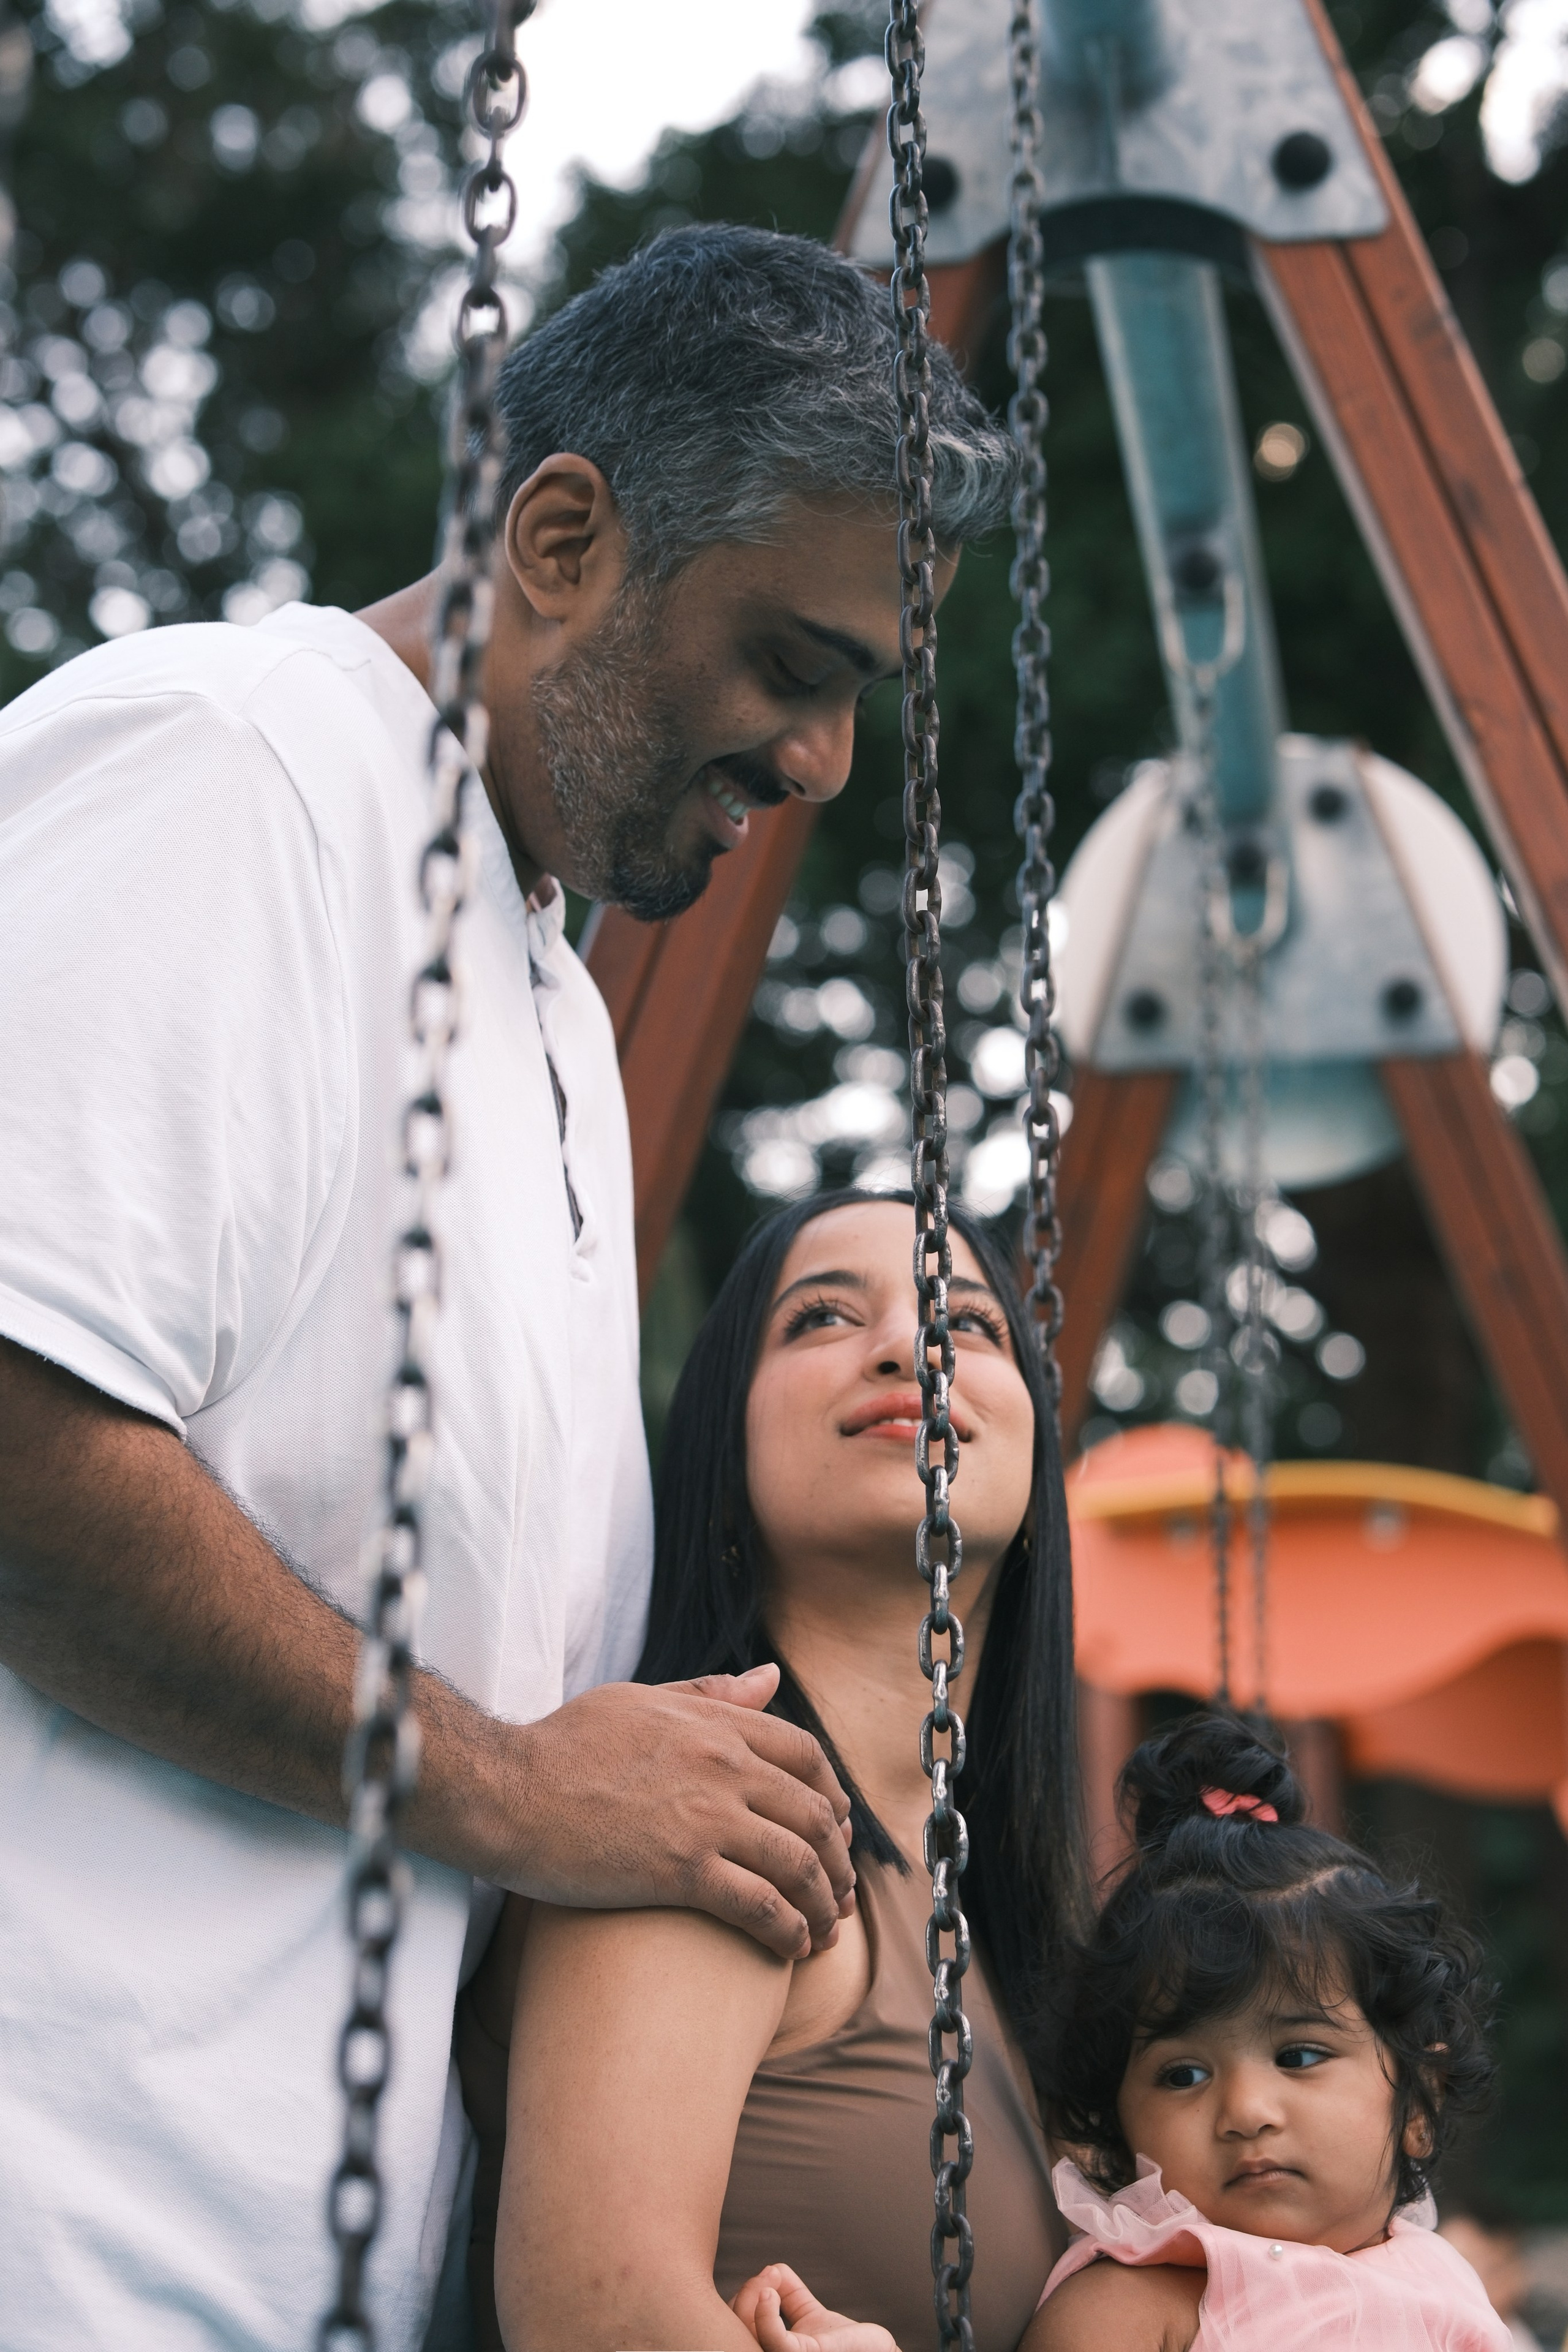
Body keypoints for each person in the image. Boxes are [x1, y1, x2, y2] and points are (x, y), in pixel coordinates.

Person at [0, 225, 1017, 2351]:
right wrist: (513, 1786)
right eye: (793, 663)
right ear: (560, 536)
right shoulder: (234, 770)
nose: (824, 762)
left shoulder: (551, 996)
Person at [458, 1189, 1086, 2351]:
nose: (906, 1345)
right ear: (724, 1459)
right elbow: (599, 2322)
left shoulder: (1001, 1932)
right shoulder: (696, 1811)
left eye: (969, 1323)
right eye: (821, 1318)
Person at [1025, 1711, 1507, 2352]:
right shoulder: (1133, 2308)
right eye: (1183, 2075)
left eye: (1299, 2056)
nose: (1246, 2112)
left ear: (1419, 2103)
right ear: (1116, 2126)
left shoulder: (1440, 2280)